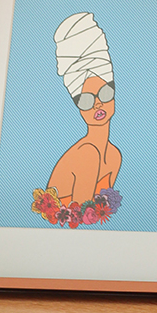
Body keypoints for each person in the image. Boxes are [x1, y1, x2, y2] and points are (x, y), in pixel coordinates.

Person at [47, 12, 122, 206]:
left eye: (105, 93)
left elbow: (99, 218)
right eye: (86, 100)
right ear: (78, 107)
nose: (98, 104)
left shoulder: (114, 156)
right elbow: (80, 221)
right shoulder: (87, 153)